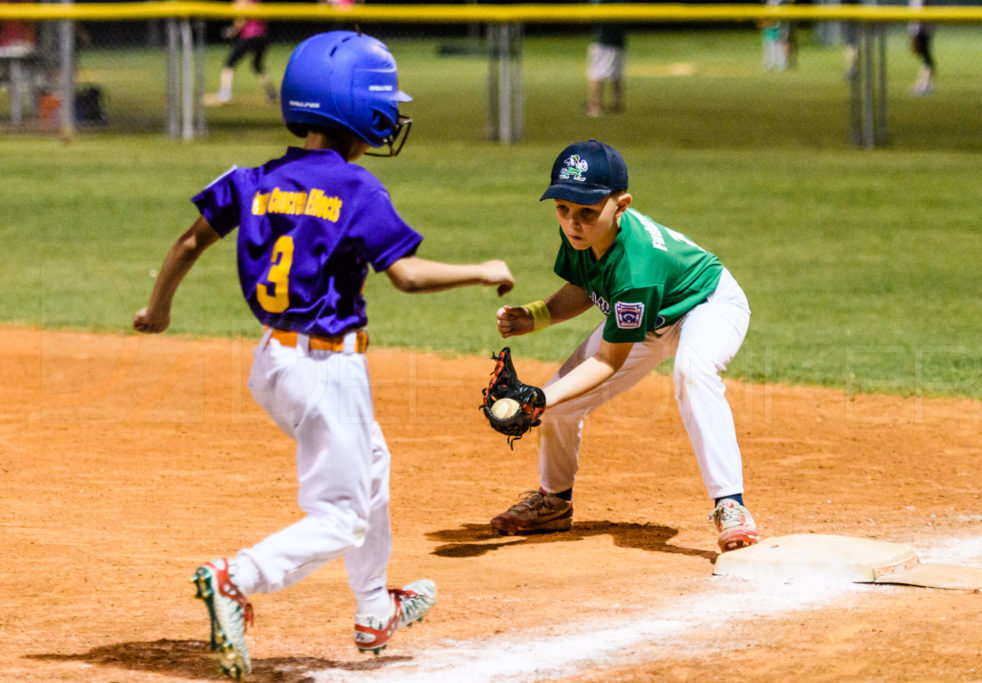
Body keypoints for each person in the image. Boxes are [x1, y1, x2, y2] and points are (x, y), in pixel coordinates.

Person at [134, 31, 515, 681]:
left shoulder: (252, 178)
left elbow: (188, 239)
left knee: (372, 462)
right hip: (327, 367)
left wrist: (159, 308)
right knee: (341, 514)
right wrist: (482, 269)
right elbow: (408, 275)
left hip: (274, 362)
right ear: (360, 110)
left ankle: (374, 609)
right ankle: (236, 577)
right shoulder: (356, 187)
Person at [489, 139, 759, 554]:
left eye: (587, 212)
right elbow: (585, 283)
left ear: (622, 205)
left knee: (692, 370)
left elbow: (606, 360)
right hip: (644, 317)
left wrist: (537, 398)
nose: (573, 222)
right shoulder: (583, 233)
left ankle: (731, 505)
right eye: (563, 208)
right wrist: (536, 315)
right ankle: (553, 502)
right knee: (562, 401)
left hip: (705, 305)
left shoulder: (638, 265)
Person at [209, 0, 276, 105]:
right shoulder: (255, 2)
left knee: (229, 64)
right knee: (257, 66)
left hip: (249, 37)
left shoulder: (241, 2)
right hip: (263, 37)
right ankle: (271, 93)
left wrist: (231, 32)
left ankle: (225, 94)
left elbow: (240, 22)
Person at [586, 0, 626, 117]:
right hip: (618, 40)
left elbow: (591, 14)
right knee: (617, 75)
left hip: (603, 40)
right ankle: (616, 105)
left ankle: (595, 105)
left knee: (597, 74)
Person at [908, 0, 935, 95]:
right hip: (920, 26)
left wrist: (916, 30)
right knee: (923, 54)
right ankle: (925, 82)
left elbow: (920, 8)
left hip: (921, 27)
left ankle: (926, 83)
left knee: (925, 54)